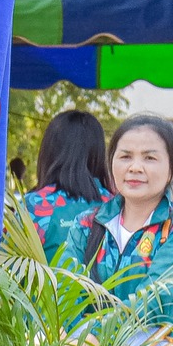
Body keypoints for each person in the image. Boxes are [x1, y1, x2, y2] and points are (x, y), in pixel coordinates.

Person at [58, 114, 173, 346]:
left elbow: (154, 298)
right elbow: (63, 292)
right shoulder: (87, 224)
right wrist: (75, 344)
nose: (135, 167)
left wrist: (90, 338)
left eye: (149, 158)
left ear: (171, 169)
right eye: (125, 156)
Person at [25, 108, 112, 253]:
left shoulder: (32, 206)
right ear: (98, 153)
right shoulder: (116, 206)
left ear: (49, 152)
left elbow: (5, 262)